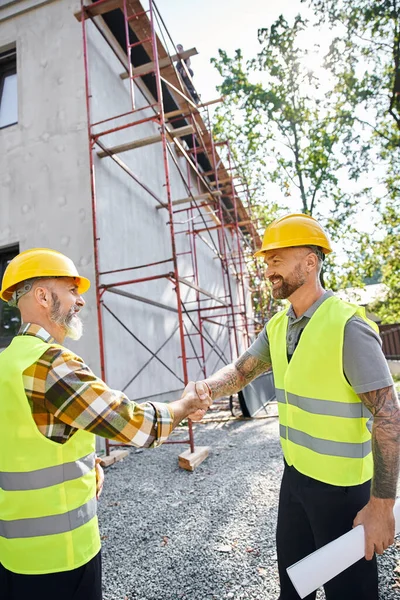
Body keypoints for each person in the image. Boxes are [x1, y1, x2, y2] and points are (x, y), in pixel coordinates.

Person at [191, 213, 399, 600]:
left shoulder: (348, 327)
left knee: (349, 593)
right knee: (293, 586)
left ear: (310, 262)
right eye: (266, 261)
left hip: (344, 493)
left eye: (276, 260)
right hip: (296, 481)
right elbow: (241, 371)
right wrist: (204, 390)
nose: (268, 270)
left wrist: (382, 506)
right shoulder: (278, 326)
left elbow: (389, 415)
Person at [0, 248, 211, 600]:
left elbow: (27, 444)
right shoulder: (52, 365)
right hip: (63, 559)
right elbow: (136, 424)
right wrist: (186, 405)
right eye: (71, 290)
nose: (79, 301)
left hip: (14, 558)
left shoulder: (6, 363)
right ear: (42, 295)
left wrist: (87, 465)